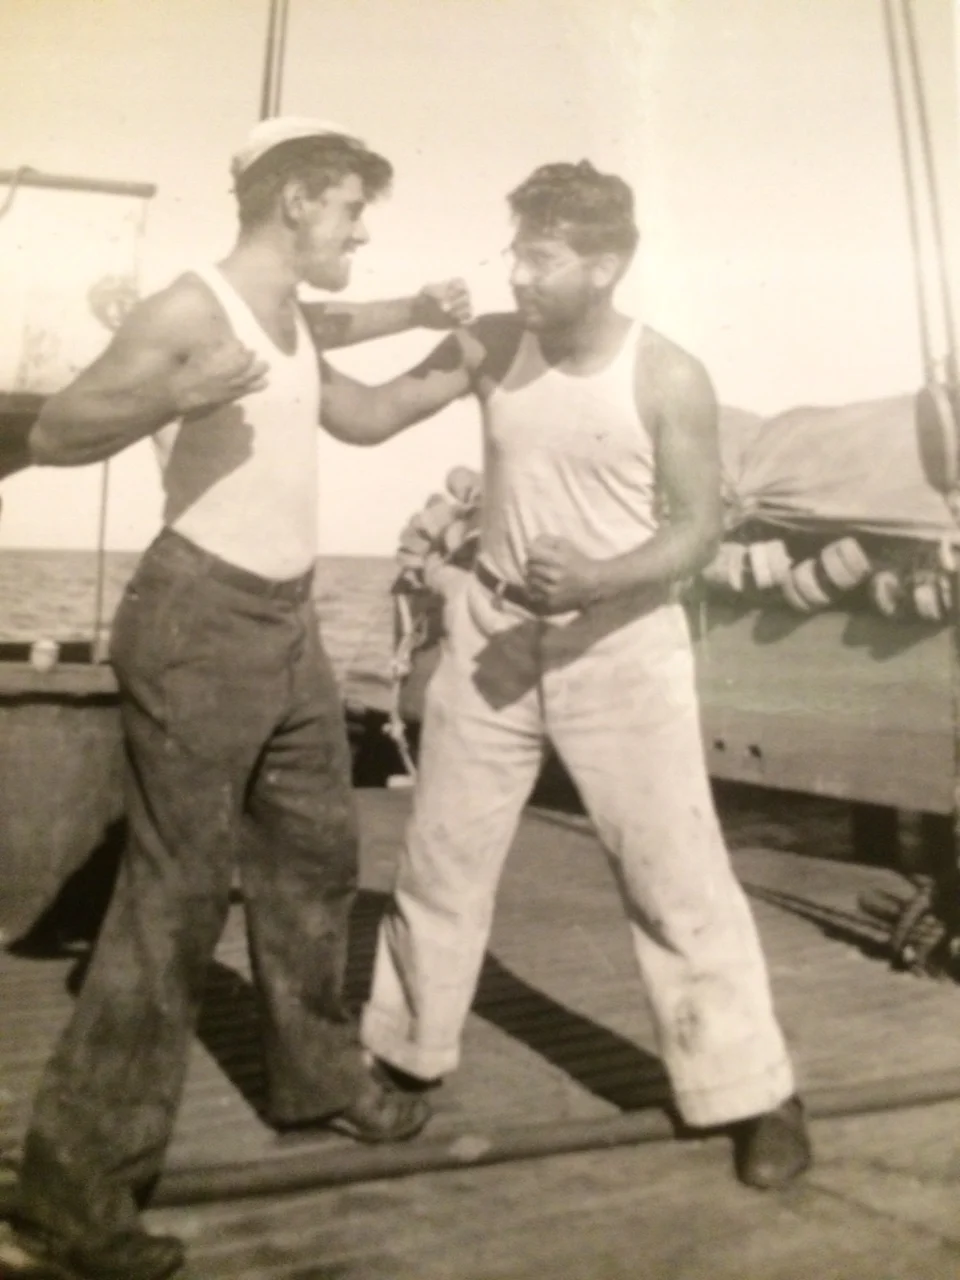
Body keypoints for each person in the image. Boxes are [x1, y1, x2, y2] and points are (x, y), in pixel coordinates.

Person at [1, 117, 475, 1280]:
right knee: (174, 899)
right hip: (197, 619)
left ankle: (317, 1077)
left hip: (286, 621)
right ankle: (67, 1197)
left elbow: (355, 406)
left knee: (316, 851)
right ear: (300, 201)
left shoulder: (291, 316)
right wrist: (184, 389)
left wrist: (455, 347)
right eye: (353, 209)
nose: (362, 228)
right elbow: (59, 427)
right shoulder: (188, 312)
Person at [360, 160, 813, 1190]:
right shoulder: (491, 345)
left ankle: (756, 1091)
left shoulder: (667, 374)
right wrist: (276, 335)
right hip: (491, 644)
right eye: (515, 249)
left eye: (542, 256)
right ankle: (404, 1055)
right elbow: (367, 415)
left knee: (676, 880)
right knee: (441, 864)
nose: (517, 273)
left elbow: (700, 527)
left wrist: (602, 574)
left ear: (605, 263)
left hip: (623, 653)